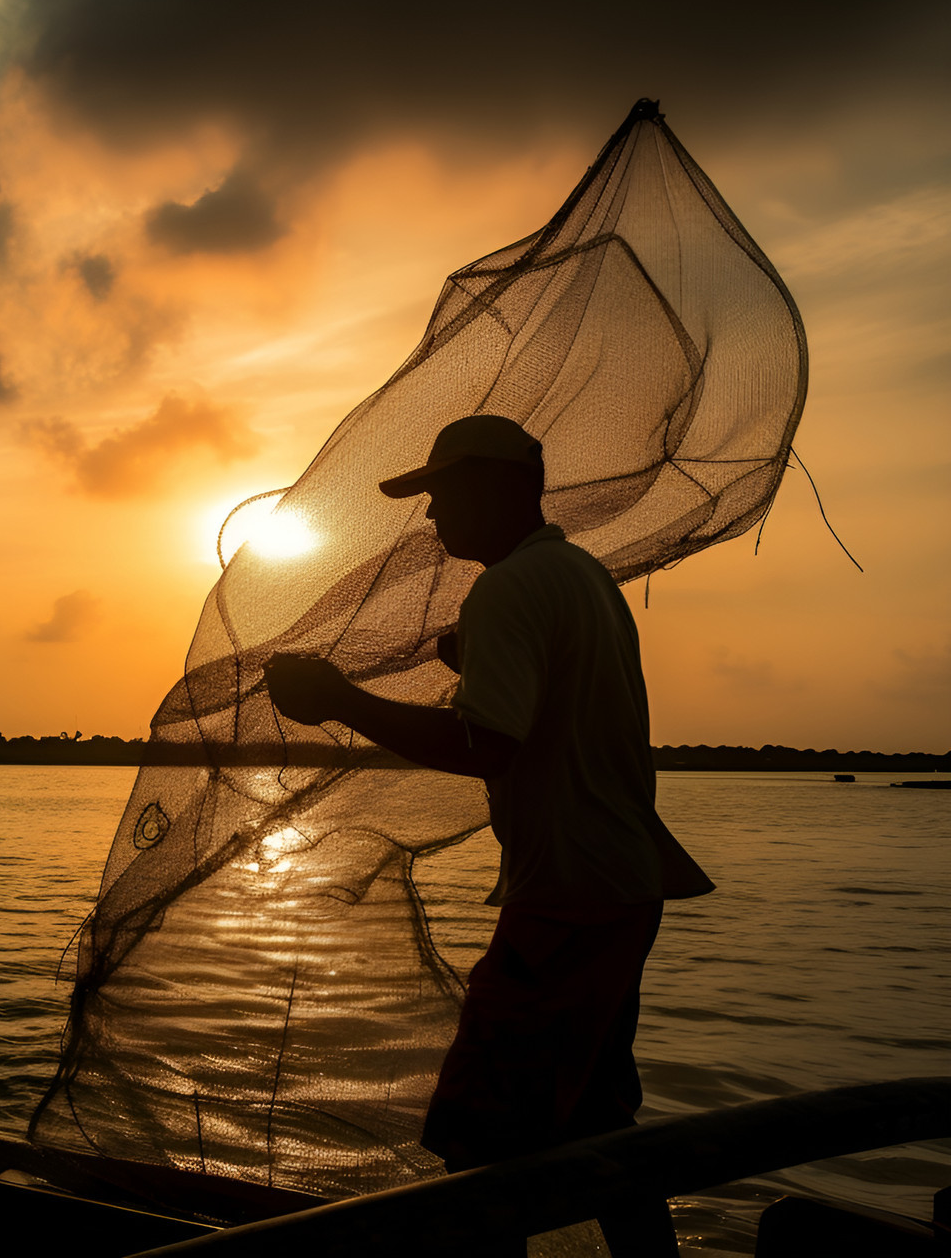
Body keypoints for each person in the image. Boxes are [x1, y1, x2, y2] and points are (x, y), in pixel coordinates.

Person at [264, 415, 712, 1258]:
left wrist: (339, 702)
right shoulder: (579, 576)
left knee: (479, 1137)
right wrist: (472, 659)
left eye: (441, 494)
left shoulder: (509, 588)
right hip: (624, 886)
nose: (431, 517)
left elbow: (487, 745)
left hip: (568, 899)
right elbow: (551, 708)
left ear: (497, 489)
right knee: (600, 1124)